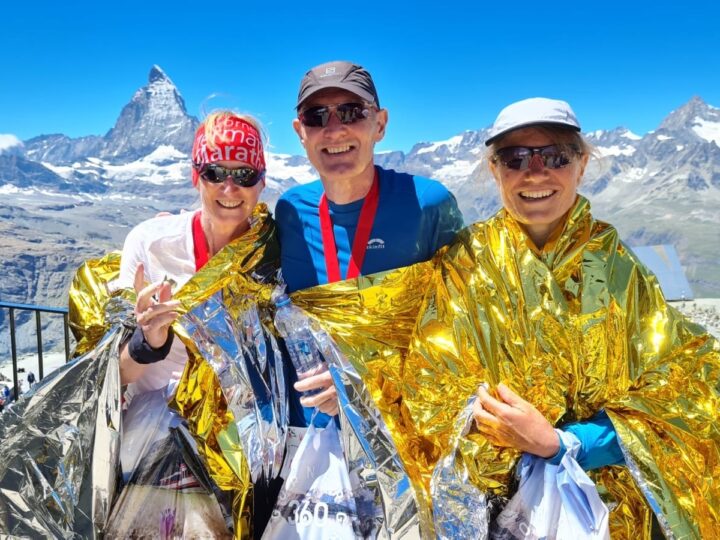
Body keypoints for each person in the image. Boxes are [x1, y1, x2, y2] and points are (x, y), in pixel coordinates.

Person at [398, 98, 720, 537]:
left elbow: (682, 386)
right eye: (514, 159)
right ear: (494, 170)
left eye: (554, 156)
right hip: (496, 511)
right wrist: (507, 437)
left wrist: (564, 444)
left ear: (581, 164)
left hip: (611, 512)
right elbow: (428, 389)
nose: (535, 173)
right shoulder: (466, 262)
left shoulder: (616, 266)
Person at [109, 111, 270, 538]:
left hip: (239, 453)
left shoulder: (271, 255)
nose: (230, 188)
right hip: (150, 448)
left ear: (262, 180)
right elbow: (115, 375)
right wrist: (149, 341)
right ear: (194, 175)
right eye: (216, 172)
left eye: (244, 173)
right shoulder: (150, 244)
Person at [275, 60, 464, 419]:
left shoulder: (428, 204)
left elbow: (462, 329)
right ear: (301, 132)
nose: (334, 130)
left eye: (351, 112)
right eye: (317, 116)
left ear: (380, 124)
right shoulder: (290, 211)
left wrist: (362, 383)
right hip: (311, 433)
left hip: (403, 432)